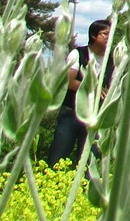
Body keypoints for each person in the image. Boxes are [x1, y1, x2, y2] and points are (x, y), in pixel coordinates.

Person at [45, 19, 113, 167]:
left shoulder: (112, 60)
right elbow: (69, 82)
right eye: (105, 34)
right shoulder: (78, 54)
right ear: (94, 36)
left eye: (111, 34)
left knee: (89, 162)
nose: (109, 37)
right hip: (71, 114)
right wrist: (94, 88)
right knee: (58, 156)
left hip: (95, 117)